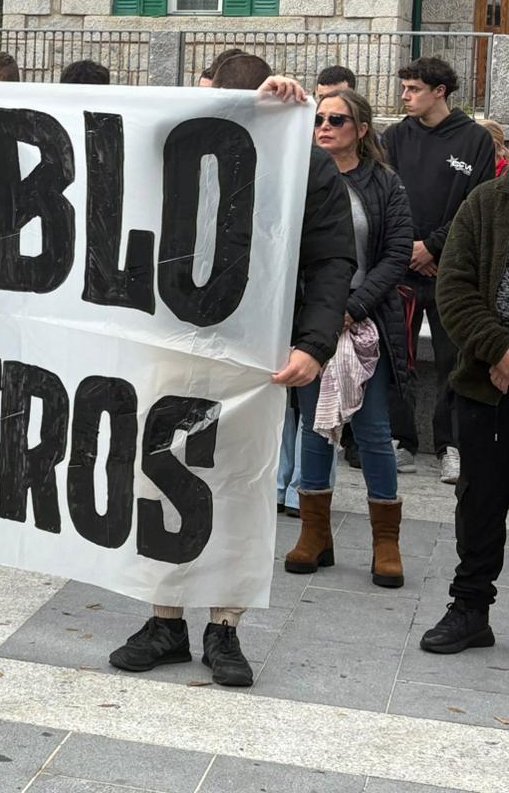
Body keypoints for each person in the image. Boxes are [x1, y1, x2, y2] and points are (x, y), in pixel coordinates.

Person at [107, 56, 355, 688]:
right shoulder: (173, 139)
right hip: (173, 336)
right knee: (159, 469)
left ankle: (225, 626)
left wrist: (315, 343)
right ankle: (165, 619)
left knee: (241, 482)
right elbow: (96, 141)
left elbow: (332, 259)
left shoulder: (305, 158)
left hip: (257, 350)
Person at [284, 89, 412, 589]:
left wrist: (351, 309)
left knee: (375, 431)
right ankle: (315, 534)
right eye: (318, 118)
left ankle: (387, 542)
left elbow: (397, 253)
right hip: (311, 322)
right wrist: (317, 315)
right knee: (315, 427)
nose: (325, 125)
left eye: (337, 119)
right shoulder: (300, 175)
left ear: (361, 129)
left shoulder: (385, 184)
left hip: (366, 323)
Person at [384, 57, 495, 484]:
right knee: (399, 359)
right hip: (401, 269)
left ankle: (453, 446)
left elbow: (476, 206)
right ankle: (400, 441)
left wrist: (431, 248)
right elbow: (386, 197)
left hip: (451, 275)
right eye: (404, 88)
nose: (405, 96)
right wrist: (408, 250)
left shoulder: (474, 140)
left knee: (454, 360)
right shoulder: (394, 137)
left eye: (413, 89)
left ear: (439, 92)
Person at [426, 151, 509, 654]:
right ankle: (470, 609)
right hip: (487, 387)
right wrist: (499, 350)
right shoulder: (486, 203)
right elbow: (452, 288)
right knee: (480, 503)